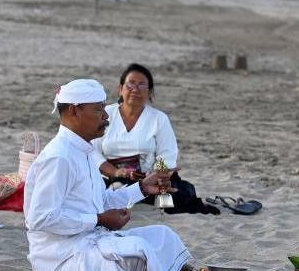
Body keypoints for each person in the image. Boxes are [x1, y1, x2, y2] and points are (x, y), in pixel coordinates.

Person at [24, 79, 192, 271]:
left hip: (91, 242)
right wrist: (98, 220)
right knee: (138, 252)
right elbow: (40, 218)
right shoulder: (59, 157)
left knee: (163, 235)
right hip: (62, 259)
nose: (106, 116)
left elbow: (99, 200)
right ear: (75, 112)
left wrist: (141, 188)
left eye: (104, 108)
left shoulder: (82, 151)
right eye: (98, 110)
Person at [93, 64, 218, 215]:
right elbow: (93, 152)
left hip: (150, 176)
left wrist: (156, 175)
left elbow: (167, 154)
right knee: (105, 191)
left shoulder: (159, 119)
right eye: (131, 83)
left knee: (178, 194)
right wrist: (117, 172)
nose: (135, 89)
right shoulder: (106, 114)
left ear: (149, 92)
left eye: (141, 84)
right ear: (120, 88)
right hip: (113, 176)